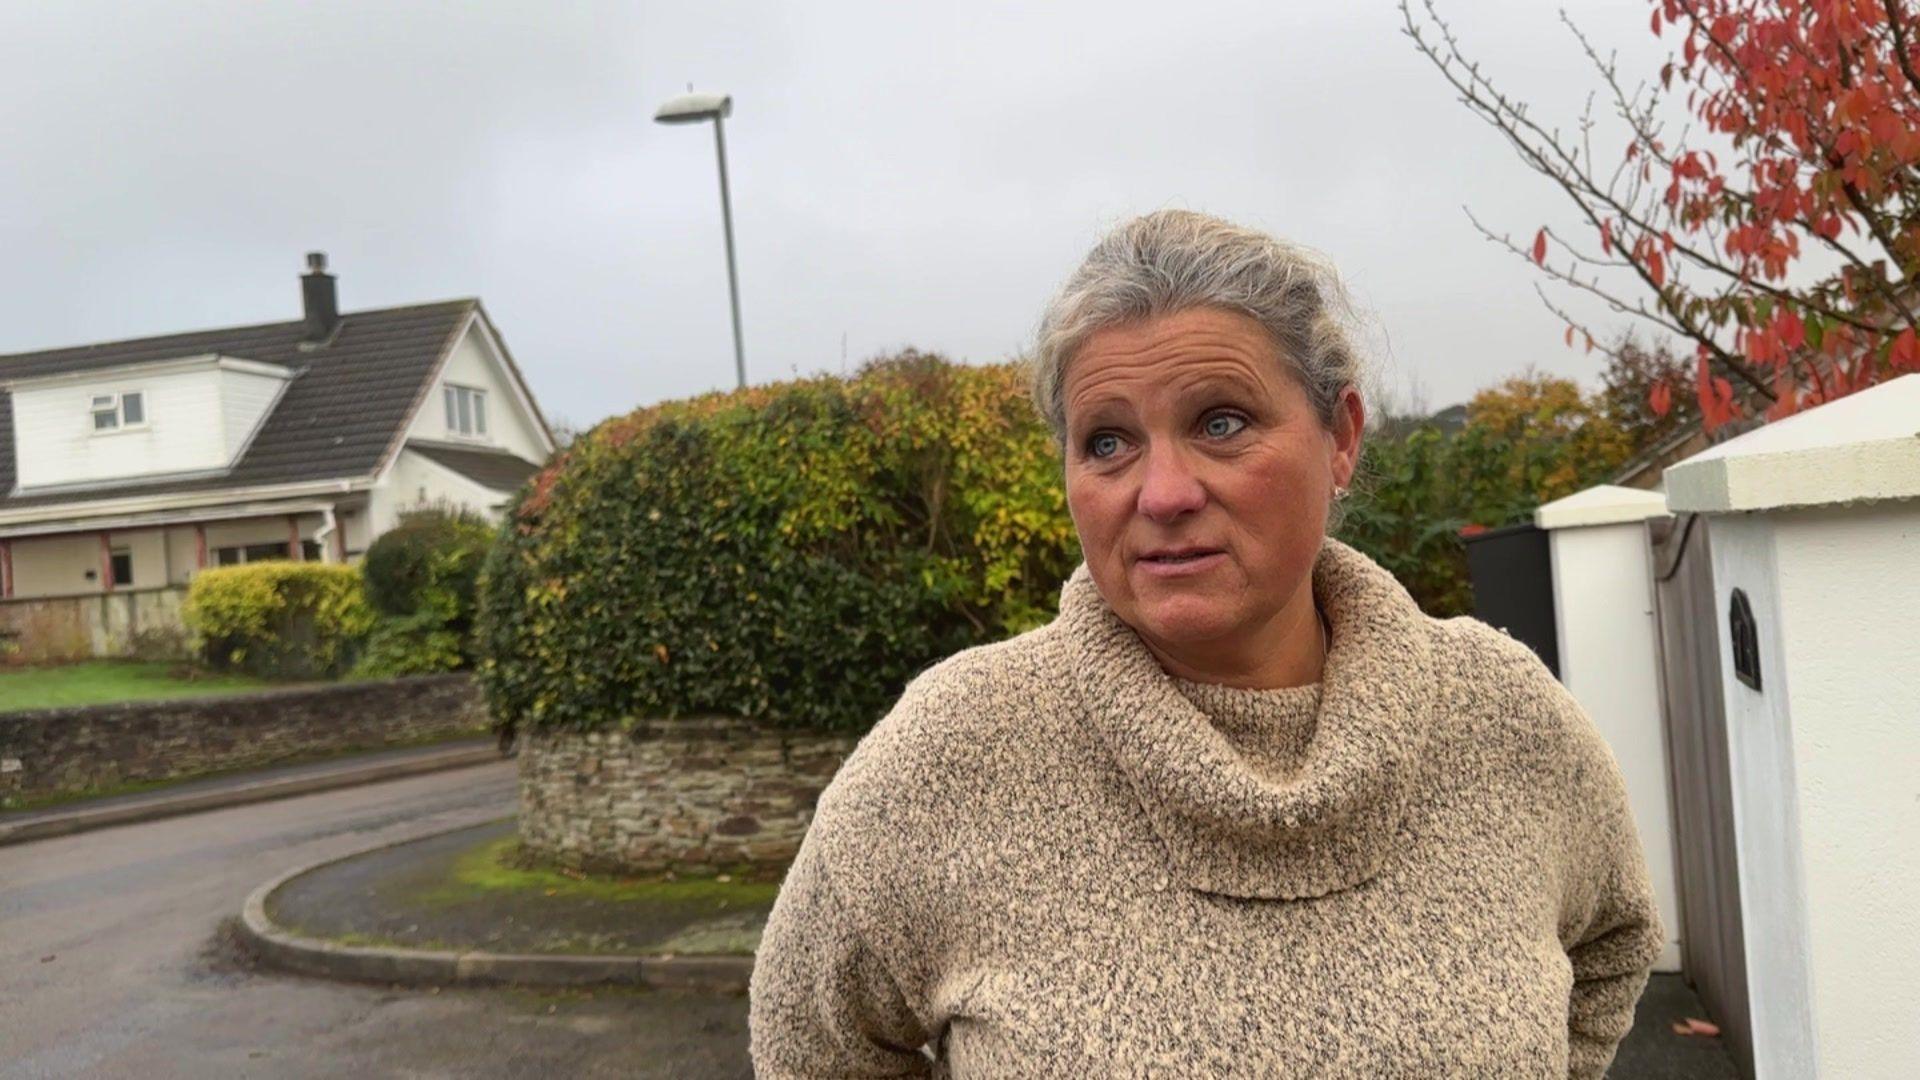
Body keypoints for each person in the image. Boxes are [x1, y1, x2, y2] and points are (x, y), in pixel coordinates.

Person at [749, 209, 1663, 1077]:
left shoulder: (1503, 716)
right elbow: (810, 1041)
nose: (1163, 493)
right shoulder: (951, 752)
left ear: (1340, 439)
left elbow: (1615, 941)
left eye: (1220, 422)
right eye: (1107, 442)